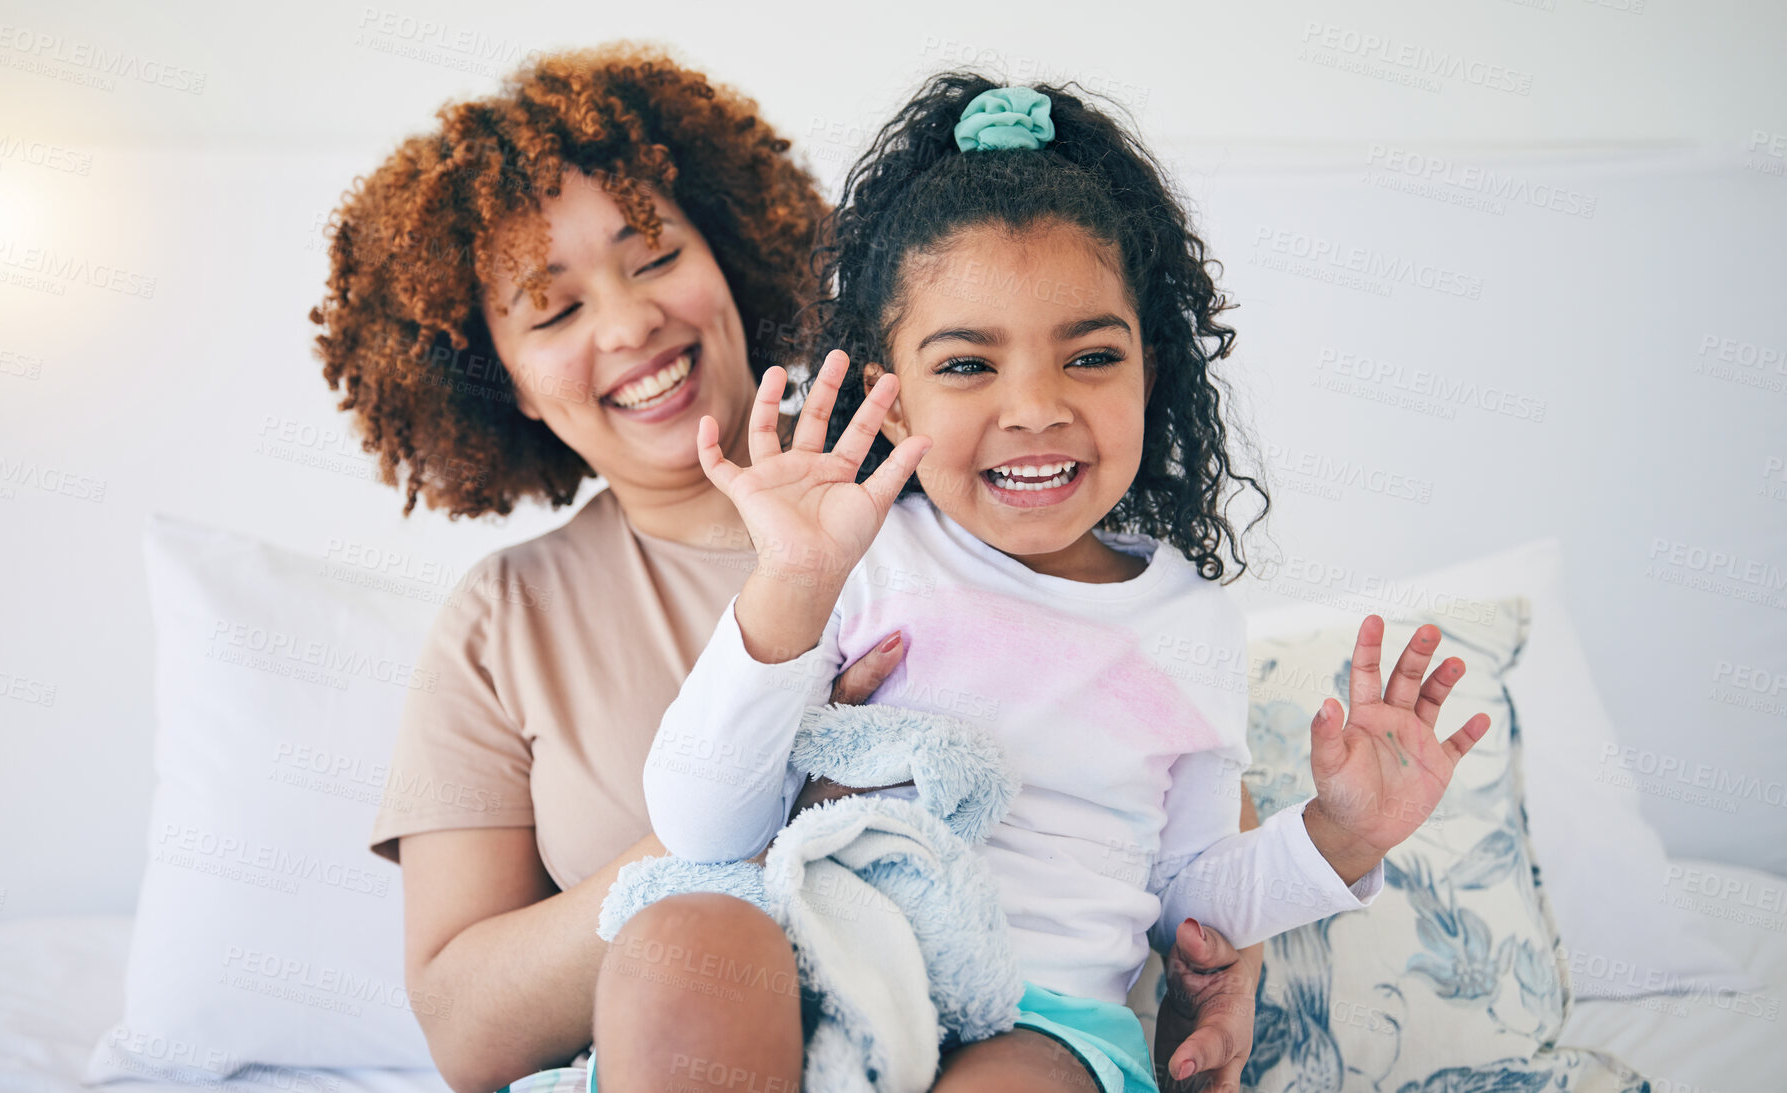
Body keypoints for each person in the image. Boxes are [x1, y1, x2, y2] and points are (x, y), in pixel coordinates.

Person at [311, 46, 1265, 1093]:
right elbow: (464, 1029)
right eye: (554, 309)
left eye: (655, 256)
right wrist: (783, 807)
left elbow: (1147, 743)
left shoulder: (957, 475)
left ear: (730, 256)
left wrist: (1231, 960)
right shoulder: (505, 620)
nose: (629, 324)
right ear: (506, 382)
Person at [609, 80, 1492, 1093]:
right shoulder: (853, 558)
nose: (1035, 406)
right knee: (674, 939)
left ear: (1149, 375)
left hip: (1042, 1018)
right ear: (889, 406)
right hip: (812, 956)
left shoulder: (1185, 625)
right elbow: (702, 828)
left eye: (1090, 356)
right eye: (968, 365)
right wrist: (790, 588)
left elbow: (1190, 899)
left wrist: (1340, 834)